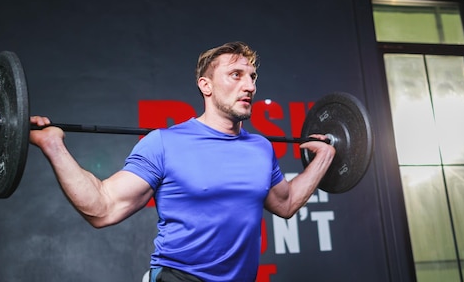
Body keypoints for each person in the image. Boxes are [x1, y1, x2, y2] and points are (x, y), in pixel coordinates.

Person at [29, 41, 335, 282]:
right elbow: (103, 207)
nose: (250, 86)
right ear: (206, 85)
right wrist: (53, 146)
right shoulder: (164, 143)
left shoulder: (261, 148)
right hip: (180, 278)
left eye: (252, 77)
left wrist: (324, 157)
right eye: (236, 75)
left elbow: (287, 202)